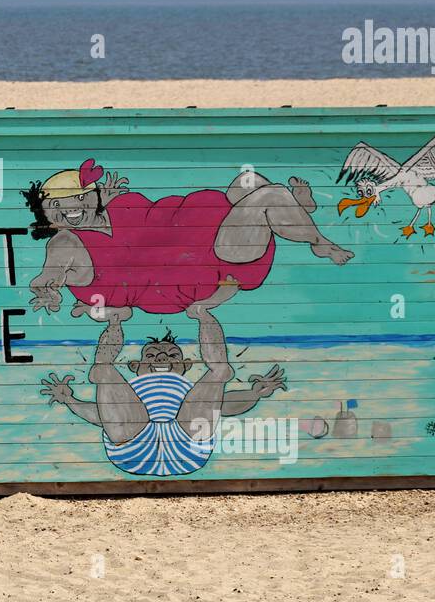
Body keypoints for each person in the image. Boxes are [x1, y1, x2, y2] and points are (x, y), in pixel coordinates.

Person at [24, 159, 353, 320]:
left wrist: (107, 199)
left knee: (247, 180)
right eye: (54, 206)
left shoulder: (111, 206)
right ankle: (317, 241)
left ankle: (297, 213)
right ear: (47, 218)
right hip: (216, 253)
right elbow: (51, 271)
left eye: (76, 198)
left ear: (88, 196)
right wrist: (47, 287)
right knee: (268, 196)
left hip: (211, 222)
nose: (68, 209)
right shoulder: (64, 242)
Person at [38, 310, 287, 477]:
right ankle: (115, 322)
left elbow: (224, 405)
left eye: (172, 355)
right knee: (103, 372)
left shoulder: (190, 390)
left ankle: (204, 314)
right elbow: (103, 414)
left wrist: (255, 394)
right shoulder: (132, 390)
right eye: (151, 354)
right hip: (133, 446)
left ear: (186, 366)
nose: (161, 357)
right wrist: (70, 399)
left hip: (187, 444)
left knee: (219, 372)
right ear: (134, 367)